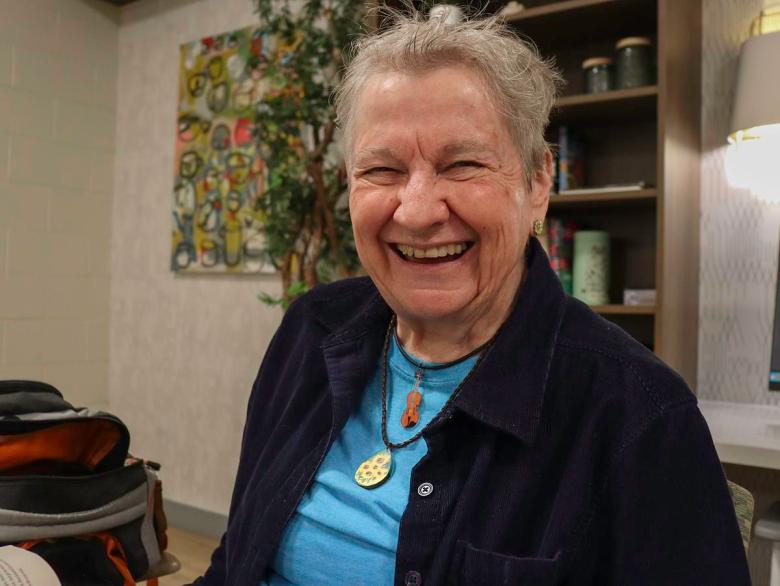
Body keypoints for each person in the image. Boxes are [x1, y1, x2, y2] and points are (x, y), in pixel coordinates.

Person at [195, 9, 750, 585]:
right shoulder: (310, 330)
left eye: (461, 164)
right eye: (382, 169)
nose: (415, 211)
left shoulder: (638, 415)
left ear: (538, 183)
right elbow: (236, 556)